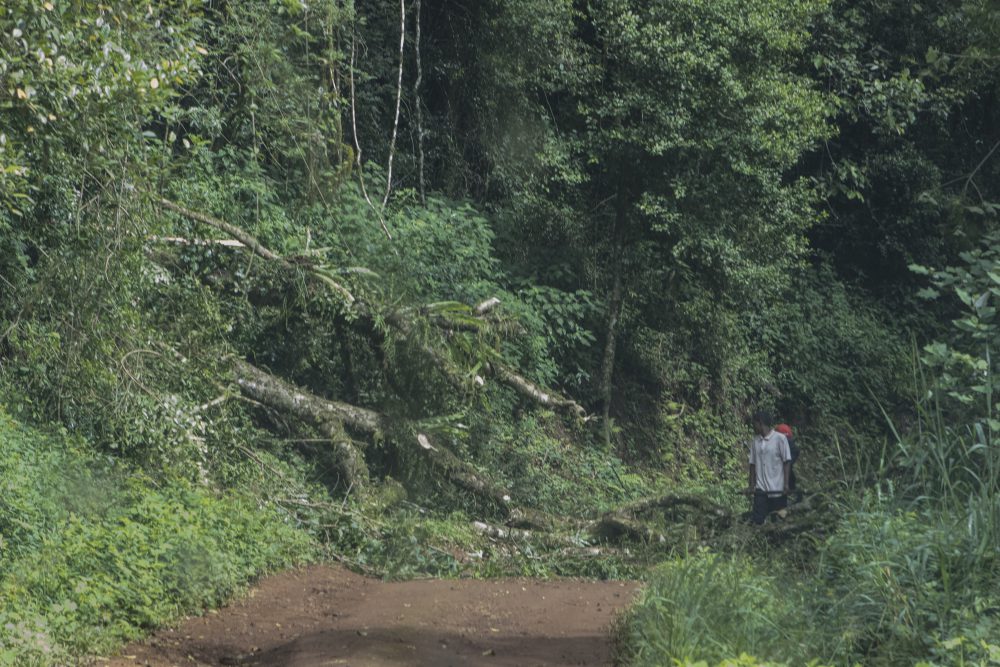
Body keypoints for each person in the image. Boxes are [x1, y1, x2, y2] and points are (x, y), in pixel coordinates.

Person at [747, 411, 792, 525]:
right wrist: (751, 485)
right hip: (761, 488)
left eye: (755, 424)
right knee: (758, 520)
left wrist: (786, 484)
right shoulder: (755, 441)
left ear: (760, 423)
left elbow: (786, 461)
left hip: (777, 488)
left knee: (778, 520)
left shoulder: (780, 439)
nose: (753, 426)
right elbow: (752, 464)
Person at [774, 423, 799, 500]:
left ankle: (790, 491)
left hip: (790, 450)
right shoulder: (779, 431)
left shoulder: (778, 435)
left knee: (786, 469)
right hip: (791, 450)